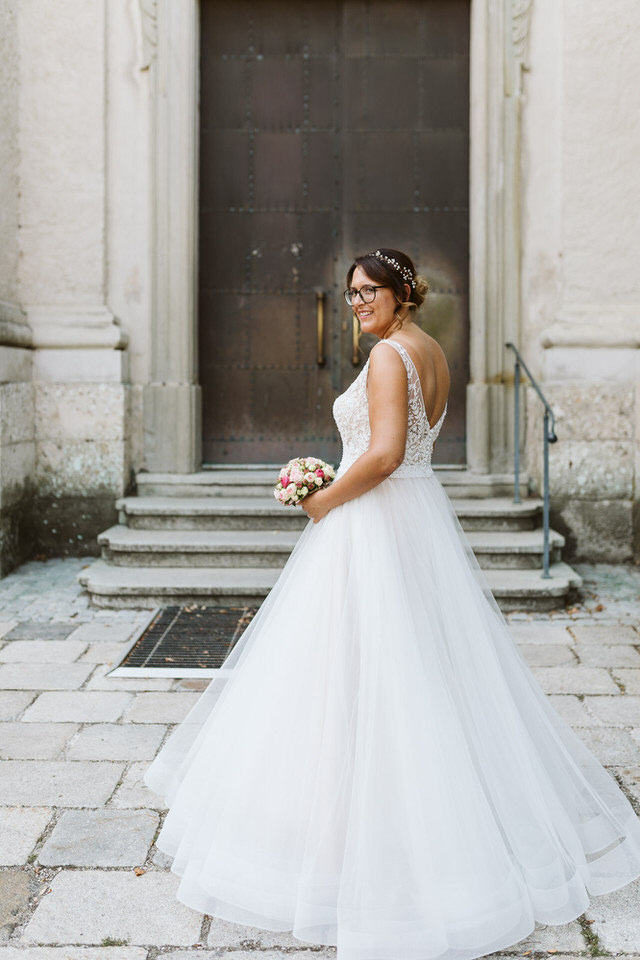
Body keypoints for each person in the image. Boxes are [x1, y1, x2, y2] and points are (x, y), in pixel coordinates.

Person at [143, 248, 640, 960]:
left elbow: (380, 456)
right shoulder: (430, 351)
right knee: (415, 666)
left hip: (372, 521)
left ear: (402, 292)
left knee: (353, 671)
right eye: (351, 293)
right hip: (415, 515)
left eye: (369, 291)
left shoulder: (386, 357)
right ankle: (423, 811)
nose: (357, 303)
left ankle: (359, 835)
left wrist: (321, 500)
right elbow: (406, 452)